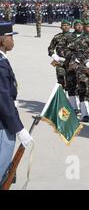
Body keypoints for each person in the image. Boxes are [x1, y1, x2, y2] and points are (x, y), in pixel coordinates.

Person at [0, 22, 34, 180]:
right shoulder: (0, 65)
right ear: (2, 41)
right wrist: (19, 128)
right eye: (10, 37)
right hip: (3, 125)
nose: (13, 41)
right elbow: (4, 100)